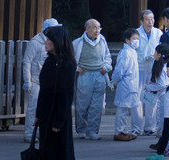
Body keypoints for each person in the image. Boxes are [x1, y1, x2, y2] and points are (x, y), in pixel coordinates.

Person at [36, 24, 76, 160]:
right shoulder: (49, 61)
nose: (45, 42)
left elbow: (66, 94)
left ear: (58, 42)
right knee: (46, 149)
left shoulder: (67, 64)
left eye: (49, 39)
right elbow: (43, 90)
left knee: (59, 150)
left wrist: (59, 121)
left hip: (58, 114)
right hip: (46, 112)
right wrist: (38, 114)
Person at [73, 17, 112, 140]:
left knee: (97, 105)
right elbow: (71, 58)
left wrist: (106, 66)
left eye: (99, 28)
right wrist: (76, 68)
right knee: (82, 104)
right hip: (85, 75)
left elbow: (107, 56)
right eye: (94, 27)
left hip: (99, 74)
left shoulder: (102, 41)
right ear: (87, 28)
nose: (97, 30)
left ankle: (93, 131)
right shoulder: (78, 42)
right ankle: (81, 130)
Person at [23, 18, 60, 142]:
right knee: (33, 108)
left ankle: (42, 132)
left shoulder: (55, 42)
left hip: (48, 82)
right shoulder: (35, 42)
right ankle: (29, 134)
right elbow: (27, 61)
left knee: (46, 108)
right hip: (35, 81)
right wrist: (27, 80)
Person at [136, 9, 164, 135]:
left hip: (153, 70)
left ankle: (150, 127)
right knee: (137, 99)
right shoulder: (136, 33)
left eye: (152, 19)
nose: (150, 22)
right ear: (142, 21)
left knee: (152, 99)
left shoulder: (158, 33)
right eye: (147, 19)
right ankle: (136, 128)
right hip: (139, 69)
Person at [112, 28, 142, 141]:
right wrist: (114, 81)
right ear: (127, 40)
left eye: (137, 39)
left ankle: (124, 131)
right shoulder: (125, 53)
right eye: (134, 39)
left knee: (128, 108)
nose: (136, 41)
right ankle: (119, 131)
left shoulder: (132, 51)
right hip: (125, 84)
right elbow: (119, 70)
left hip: (131, 85)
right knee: (123, 110)